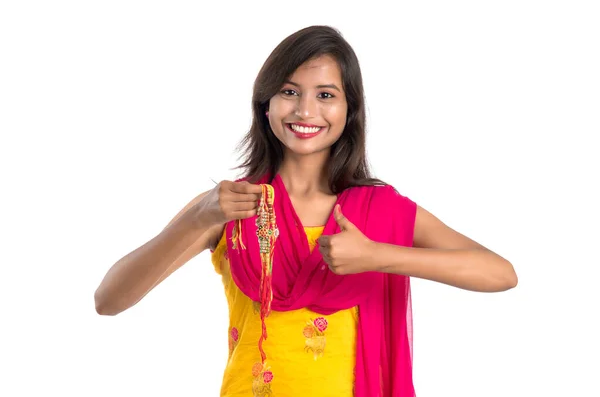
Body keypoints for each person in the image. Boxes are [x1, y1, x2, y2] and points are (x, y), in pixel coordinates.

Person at [94, 25, 518, 397]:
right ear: (266, 104)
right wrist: (198, 217)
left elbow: (500, 273)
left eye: (326, 95)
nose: (305, 111)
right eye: (290, 92)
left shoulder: (380, 209)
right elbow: (109, 300)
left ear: (349, 109)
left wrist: (377, 256)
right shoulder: (229, 206)